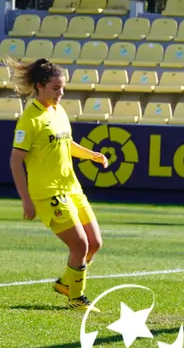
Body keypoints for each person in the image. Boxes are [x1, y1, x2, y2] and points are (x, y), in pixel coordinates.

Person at [6, 58, 109, 311]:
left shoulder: (57, 111)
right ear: (40, 86)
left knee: (94, 244)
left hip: (71, 188)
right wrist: (26, 199)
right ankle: (76, 298)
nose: (61, 93)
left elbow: (67, 144)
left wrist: (92, 155)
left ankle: (66, 283)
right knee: (80, 245)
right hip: (48, 193)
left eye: (62, 88)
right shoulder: (30, 119)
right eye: (56, 88)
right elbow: (15, 161)